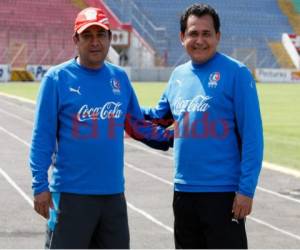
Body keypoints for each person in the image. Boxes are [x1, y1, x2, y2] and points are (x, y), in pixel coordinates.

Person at [29, 7, 172, 249]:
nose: (95, 42)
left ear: (109, 38)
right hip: (71, 196)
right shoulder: (57, 79)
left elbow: (137, 126)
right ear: (76, 39)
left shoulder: (120, 78)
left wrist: (174, 135)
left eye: (101, 35)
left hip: (113, 196)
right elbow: (41, 138)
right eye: (87, 36)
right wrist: (39, 185)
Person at [142, 3, 264, 249]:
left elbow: (253, 137)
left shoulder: (237, 74)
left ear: (218, 36)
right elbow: (158, 117)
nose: (199, 40)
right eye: (193, 33)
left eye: (206, 34)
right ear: (182, 37)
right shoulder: (177, 76)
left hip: (223, 195)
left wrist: (246, 190)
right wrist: (124, 105)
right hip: (183, 192)